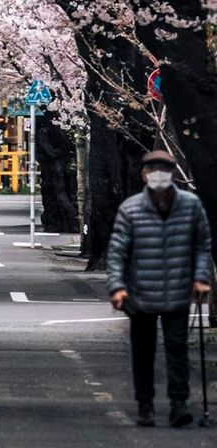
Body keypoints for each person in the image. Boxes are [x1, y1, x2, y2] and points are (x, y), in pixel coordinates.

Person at [107, 149, 212, 428]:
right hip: (140, 293)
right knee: (143, 351)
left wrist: (201, 277)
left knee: (177, 349)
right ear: (144, 175)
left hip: (177, 291)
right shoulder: (130, 209)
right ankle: (145, 404)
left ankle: (179, 404)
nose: (158, 175)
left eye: (164, 169)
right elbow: (117, 252)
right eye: (153, 169)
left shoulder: (190, 206)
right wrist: (117, 287)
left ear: (174, 173)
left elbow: (202, 244)